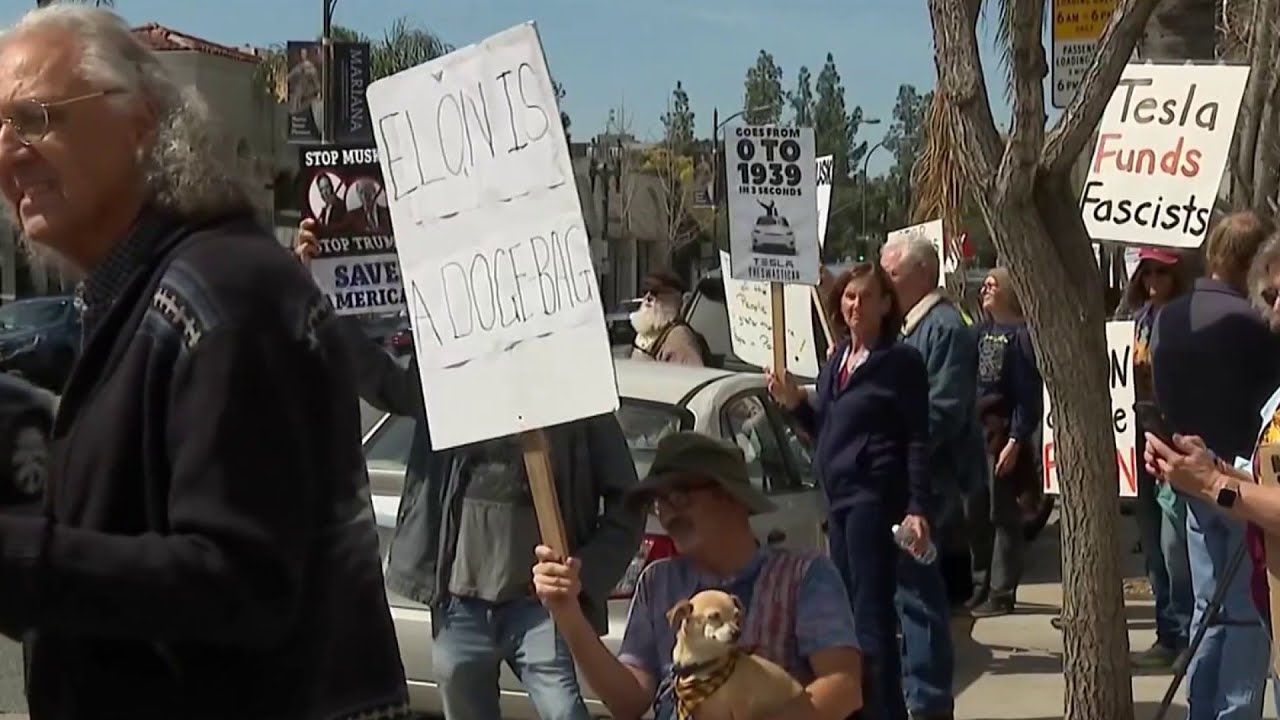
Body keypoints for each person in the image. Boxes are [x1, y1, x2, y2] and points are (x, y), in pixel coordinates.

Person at [0, 7, 409, 719]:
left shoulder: (223, 299)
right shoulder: (146, 298)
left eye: (34, 116)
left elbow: (240, 586)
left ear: (140, 126)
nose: (8, 151)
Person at [295, 217, 645, 720]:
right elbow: (379, 380)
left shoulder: (574, 394)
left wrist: (581, 578)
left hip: (540, 610)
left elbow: (628, 502)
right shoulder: (448, 378)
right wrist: (319, 288)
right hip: (459, 605)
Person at [531, 432, 864, 720]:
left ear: (730, 496)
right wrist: (569, 614)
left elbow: (843, 687)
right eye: (659, 502)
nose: (668, 512)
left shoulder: (804, 575)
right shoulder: (658, 582)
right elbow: (629, 701)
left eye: (679, 495)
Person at [769, 261, 930, 720]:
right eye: (848, 297)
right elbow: (825, 429)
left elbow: (917, 436)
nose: (855, 305)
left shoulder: (900, 362)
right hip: (835, 499)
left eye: (865, 297)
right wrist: (795, 405)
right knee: (847, 617)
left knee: (870, 618)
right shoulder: (837, 358)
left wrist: (918, 506)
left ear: (885, 305)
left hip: (873, 500)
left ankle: (878, 710)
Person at [1151, 211, 1280, 720]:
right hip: (1232, 490)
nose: (1274, 307)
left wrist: (1214, 479)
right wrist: (1219, 477)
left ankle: (1210, 709)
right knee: (1240, 617)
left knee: (1216, 610)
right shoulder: (1249, 328)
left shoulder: (1172, 319)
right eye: (1270, 294)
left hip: (1213, 488)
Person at [880, 233, 975, 720]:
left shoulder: (944, 330)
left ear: (921, 275)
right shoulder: (904, 329)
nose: (883, 284)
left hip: (930, 490)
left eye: (891, 276)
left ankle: (928, 702)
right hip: (905, 484)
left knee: (920, 597)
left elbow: (945, 410)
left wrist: (888, 439)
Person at [1118, 247, 1194, 668]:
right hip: (1135, 438)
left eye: (1160, 272)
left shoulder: (1184, 318)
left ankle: (1185, 633)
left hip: (1173, 442)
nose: (1151, 281)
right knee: (1152, 542)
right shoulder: (1135, 320)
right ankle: (1168, 632)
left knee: (1174, 543)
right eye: (1145, 272)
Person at [968, 267, 1042, 618]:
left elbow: (1028, 396)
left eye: (993, 285)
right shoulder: (982, 333)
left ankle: (1001, 592)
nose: (985, 289)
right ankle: (980, 584)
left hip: (1004, 434)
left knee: (1004, 515)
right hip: (979, 433)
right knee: (978, 512)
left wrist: (1016, 439)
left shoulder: (1022, 337)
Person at [630, 271, 706, 366]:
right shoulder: (649, 335)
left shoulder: (678, 340)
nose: (647, 299)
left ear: (673, 301)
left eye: (655, 293)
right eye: (645, 292)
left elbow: (694, 377)